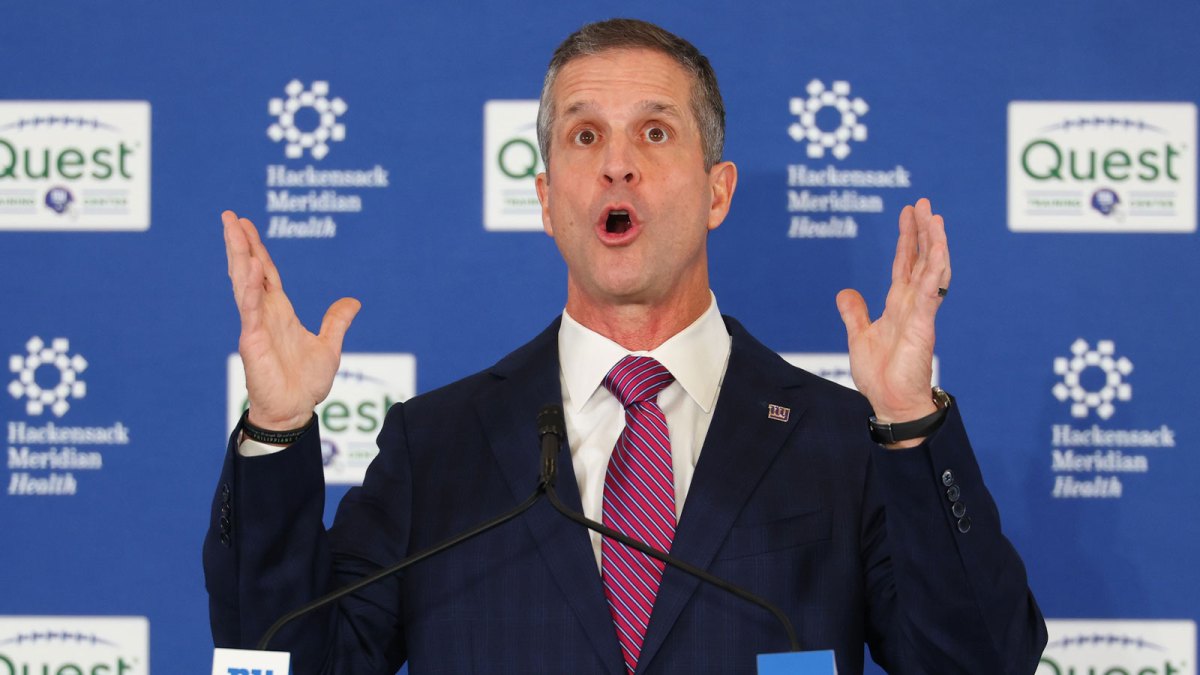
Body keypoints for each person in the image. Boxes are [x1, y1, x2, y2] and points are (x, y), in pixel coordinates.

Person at [205, 18, 1047, 675]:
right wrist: (276, 432)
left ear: (718, 190)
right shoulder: (439, 446)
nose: (617, 166)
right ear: (544, 198)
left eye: (654, 133)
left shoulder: (838, 439)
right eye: (583, 136)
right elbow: (281, 663)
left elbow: (980, 662)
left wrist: (905, 419)